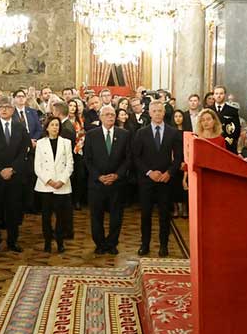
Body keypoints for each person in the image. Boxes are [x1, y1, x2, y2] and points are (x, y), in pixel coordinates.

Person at [131, 102, 183, 257]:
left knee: (164, 215)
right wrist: (148, 172)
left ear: (164, 113)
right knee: (146, 214)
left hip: (166, 180)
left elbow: (178, 157)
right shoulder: (141, 133)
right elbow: (136, 157)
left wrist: (169, 173)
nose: (158, 113)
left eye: (160, 111)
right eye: (155, 111)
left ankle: (163, 245)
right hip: (147, 180)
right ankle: (144, 244)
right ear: (150, 113)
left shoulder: (173, 133)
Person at [0, 96, 32, 253]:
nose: (4, 109)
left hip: (14, 176)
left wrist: (12, 169)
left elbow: (25, 150)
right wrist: (0, 170)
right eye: (1, 107)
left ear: (13, 109)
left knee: (13, 210)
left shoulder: (20, 127)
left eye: (7, 107)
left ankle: (12, 241)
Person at [83, 105, 130, 256]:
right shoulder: (91, 135)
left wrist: (117, 175)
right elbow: (87, 159)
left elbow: (128, 159)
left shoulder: (124, 134)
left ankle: (112, 243)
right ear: (101, 117)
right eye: (107, 114)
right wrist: (98, 176)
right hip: (97, 183)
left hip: (117, 183)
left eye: (113, 114)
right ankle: (100, 244)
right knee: (96, 216)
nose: (110, 117)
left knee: (116, 215)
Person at [34, 116, 74, 254]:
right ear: (47, 127)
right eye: (52, 125)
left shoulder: (66, 143)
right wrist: (49, 181)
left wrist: (61, 180)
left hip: (62, 185)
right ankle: (47, 242)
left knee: (61, 217)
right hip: (45, 185)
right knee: (46, 216)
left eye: (57, 125)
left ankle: (60, 242)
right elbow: (37, 167)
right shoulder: (40, 143)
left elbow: (70, 164)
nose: (55, 127)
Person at [211, 86, 242, 153]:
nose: (218, 96)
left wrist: (230, 140)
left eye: (221, 93)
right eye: (216, 94)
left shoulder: (233, 110)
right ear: (213, 95)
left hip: (228, 145)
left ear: (225, 95)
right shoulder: (208, 110)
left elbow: (237, 129)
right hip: (212, 143)